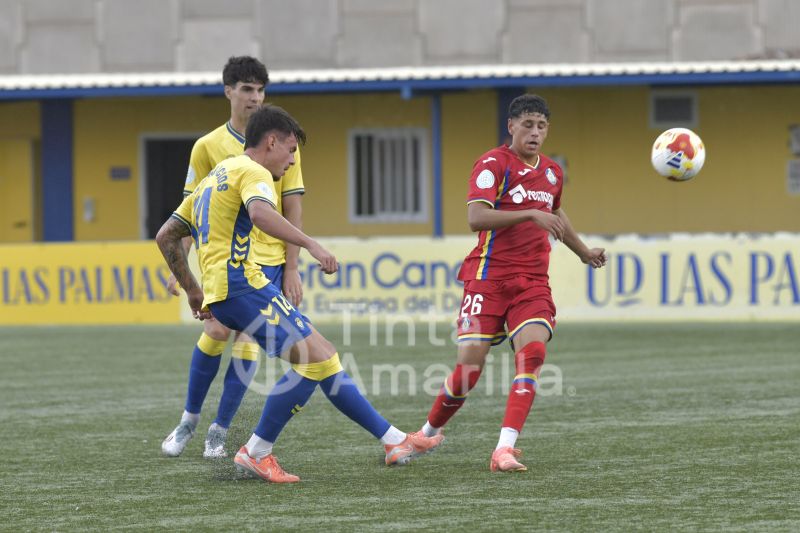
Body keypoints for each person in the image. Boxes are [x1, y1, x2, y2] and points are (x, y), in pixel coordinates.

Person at [156, 105, 444, 483]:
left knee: (323, 357)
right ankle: (256, 451)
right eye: (290, 150)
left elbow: (166, 235)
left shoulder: (215, 176)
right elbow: (260, 214)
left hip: (229, 290)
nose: (292, 160)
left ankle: (393, 441)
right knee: (315, 359)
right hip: (243, 286)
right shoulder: (253, 171)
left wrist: (194, 291)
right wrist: (311, 244)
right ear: (271, 141)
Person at [418, 94, 607, 472]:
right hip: (487, 280)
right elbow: (476, 217)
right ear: (512, 127)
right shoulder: (492, 164)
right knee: (468, 370)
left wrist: (583, 251)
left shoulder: (552, 172)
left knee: (533, 354)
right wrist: (529, 215)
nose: (535, 133)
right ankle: (426, 433)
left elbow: (554, 214)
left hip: (532, 283)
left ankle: (504, 448)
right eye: (528, 125)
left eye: (541, 126)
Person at [161, 56, 306, 459]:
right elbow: (193, 209)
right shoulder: (208, 147)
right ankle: (189, 419)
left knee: (248, 341)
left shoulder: (284, 142)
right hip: (227, 260)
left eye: (260, 89)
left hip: (270, 258)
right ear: (229, 91)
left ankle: (218, 432)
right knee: (216, 332)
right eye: (246, 89)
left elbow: (291, 205)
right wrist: (181, 264)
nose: (254, 97)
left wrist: (293, 266)